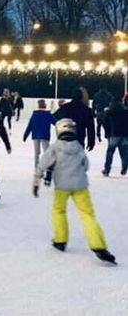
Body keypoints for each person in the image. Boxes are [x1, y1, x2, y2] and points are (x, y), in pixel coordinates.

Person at [34, 119, 116, 265]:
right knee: (87, 215)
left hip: (62, 187)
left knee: (59, 211)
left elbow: (42, 164)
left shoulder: (55, 148)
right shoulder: (78, 147)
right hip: (80, 186)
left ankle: (60, 240)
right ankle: (98, 245)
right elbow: (86, 165)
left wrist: (36, 182)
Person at [23, 99, 56, 168]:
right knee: (47, 152)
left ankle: (36, 168)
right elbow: (55, 122)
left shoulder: (34, 114)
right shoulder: (47, 114)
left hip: (35, 135)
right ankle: (48, 168)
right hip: (44, 135)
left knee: (37, 153)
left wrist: (25, 135)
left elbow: (30, 126)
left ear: (38, 106)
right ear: (45, 106)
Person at [101, 97, 128, 176]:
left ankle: (107, 169)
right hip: (125, 134)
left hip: (114, 134)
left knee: (110, 153)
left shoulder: (109, 111)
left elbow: (104, 123)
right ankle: (125, 166)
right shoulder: (126, 111)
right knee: (124, 152)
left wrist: (107, 133)